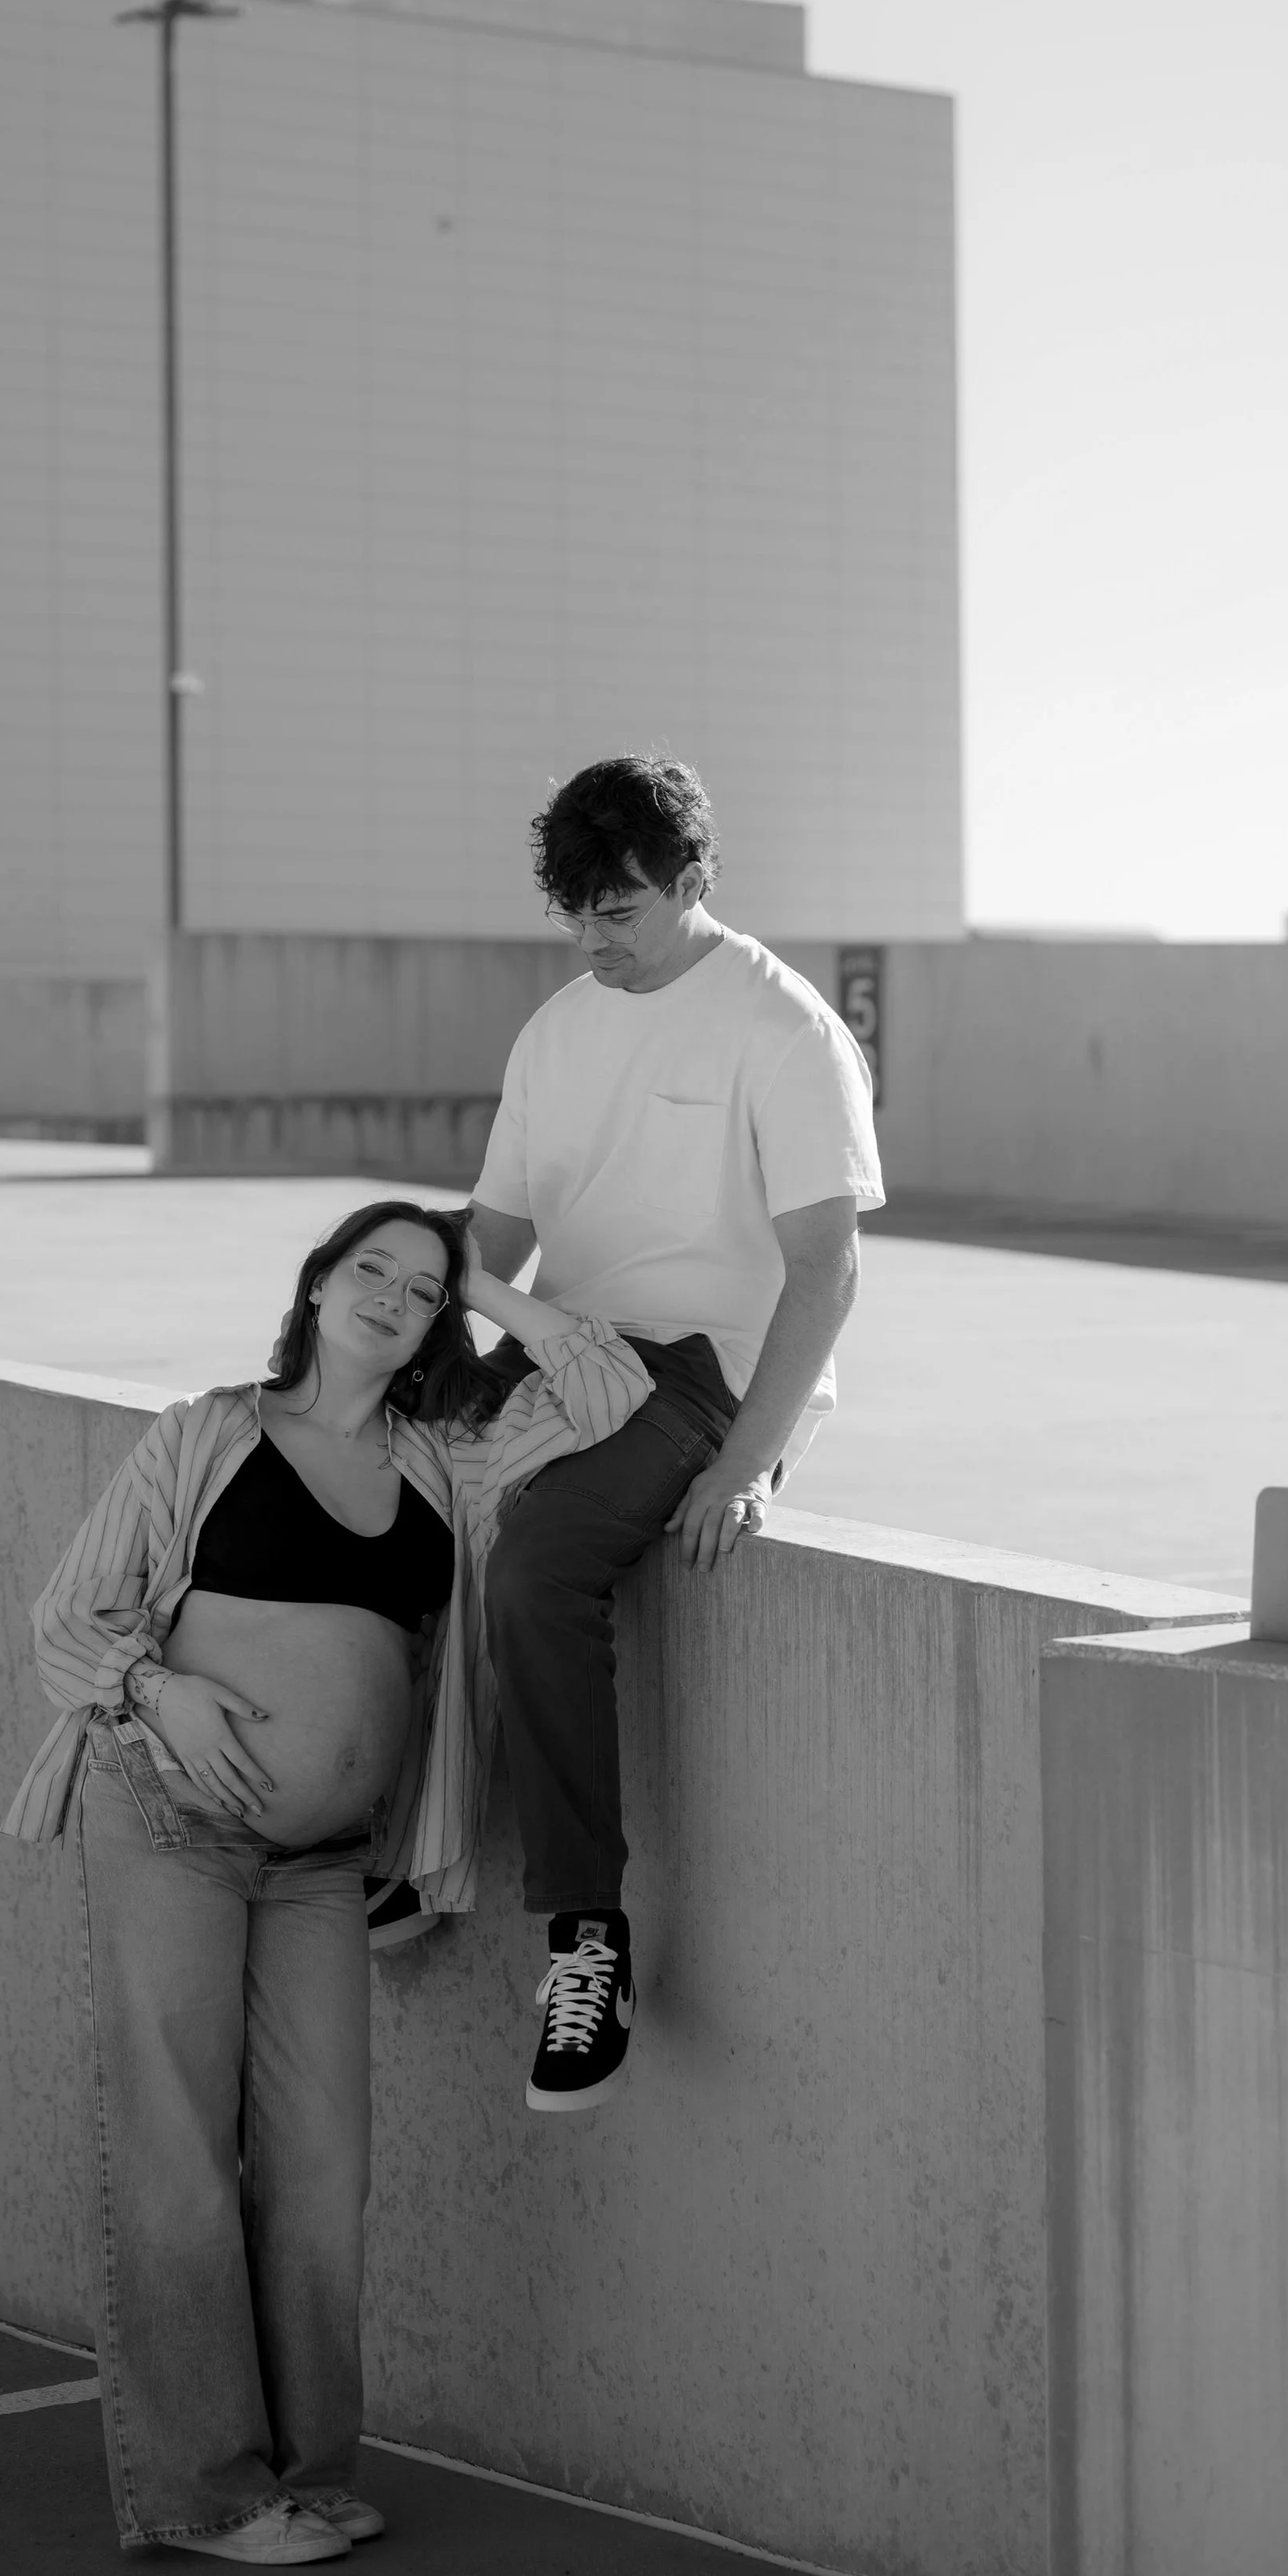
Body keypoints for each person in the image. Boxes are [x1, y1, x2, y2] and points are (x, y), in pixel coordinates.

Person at [2, 1201, 650, 2568]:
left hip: (321, 1864)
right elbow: (69, 1611)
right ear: (314, 1284)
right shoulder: (207, 1431)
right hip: (166, 1814)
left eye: (422, 1290)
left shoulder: (446, 1461)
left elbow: (610, 1393)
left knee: (323, 2166)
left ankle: (306, 2469)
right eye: (372, 1269)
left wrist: (489, 1286)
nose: (393, 1298)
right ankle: (207, 2493)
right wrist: (161, 1694)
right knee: (180, 2158)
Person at [466, 753, 884, 2113]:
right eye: (575, 913)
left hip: (705, 1372)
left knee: (539, 1561)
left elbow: (826, 1272)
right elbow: (492, 1242)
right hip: (569, 1348)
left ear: (695, 880)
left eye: (623, 910)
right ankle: (398, 1842)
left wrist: (747, 1462)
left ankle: (587, 1940)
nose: (596, 939)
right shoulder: (555, 1032)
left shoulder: (781, 1025)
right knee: (366, 1477)